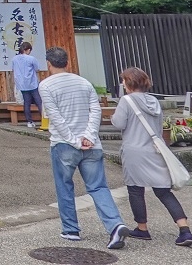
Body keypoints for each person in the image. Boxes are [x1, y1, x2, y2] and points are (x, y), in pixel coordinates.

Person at [38, 46, 130, 249]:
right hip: (92, 145)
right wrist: (88, 136)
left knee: (64, 186)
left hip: (64, 144)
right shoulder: (84, 82)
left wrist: (74, 140)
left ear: (48, 64)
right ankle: (115, 225)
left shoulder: (45, 85)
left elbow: (55, 117)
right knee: (98, 186)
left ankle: (71, 230)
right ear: (68, 63)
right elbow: (95, 110)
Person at [111, 66, 192, 247]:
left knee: (135, 190)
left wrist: (113, 116)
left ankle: (142, 228)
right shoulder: (154, 101)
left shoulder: (126, 101)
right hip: (154, 149)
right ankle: (184, 229)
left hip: (134, 151)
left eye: (124, 80)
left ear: (129, 82)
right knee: (163, 191)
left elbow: (119, 123)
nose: (122, 83)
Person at [12, 41, 44, 128]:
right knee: (39, 102)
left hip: (22, 84)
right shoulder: (31, 58)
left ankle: (29, 122)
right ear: (28, 50)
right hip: (32, 83)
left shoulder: (14, 59)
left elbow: (13, 70)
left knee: (27, 103)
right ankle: (44, 120)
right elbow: (37, 69)